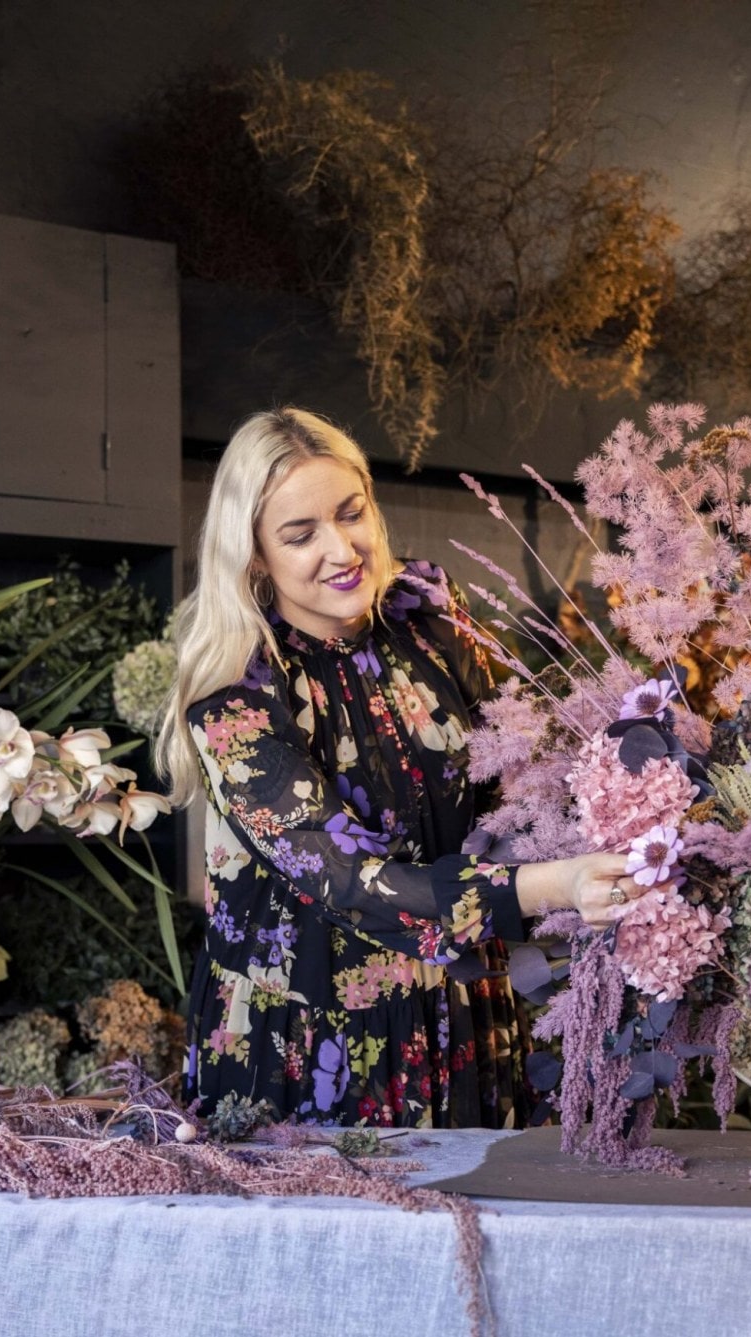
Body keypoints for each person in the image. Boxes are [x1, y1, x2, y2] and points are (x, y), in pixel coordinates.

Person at [157, 407, 647, 1129]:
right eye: (300, 534)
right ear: (255, 555)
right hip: (311, 1035)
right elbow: (354, 882)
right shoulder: (239, 700)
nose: (341, 548)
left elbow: (517, 771)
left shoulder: (428, 618)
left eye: (351, 513)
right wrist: (559, 883)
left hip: (465, 1005)